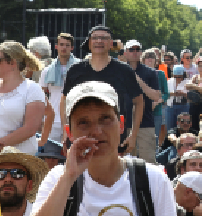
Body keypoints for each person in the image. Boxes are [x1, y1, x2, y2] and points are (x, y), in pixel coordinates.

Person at [25, 81, 183, 216]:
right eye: (84, 122)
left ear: (121, 124)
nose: (96, 131)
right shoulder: (58, 179)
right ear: (69, 133)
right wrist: (69, 177)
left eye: (105, 119)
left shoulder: (153, 179)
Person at [60, 25, 146, 156]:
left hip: (113, 139)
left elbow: (139, 102)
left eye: (104, 38)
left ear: (111, 44)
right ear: (89, 43)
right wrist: (66, 131)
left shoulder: (124, 70)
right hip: (81, 137)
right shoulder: (75, 70)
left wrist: (133, 135)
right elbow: (64, 101)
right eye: (95, 38)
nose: (99, 41)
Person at [125, 40, 164, 163]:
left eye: (137, 49)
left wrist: (136, 78)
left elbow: (156, 96)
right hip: (123, 125)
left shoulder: (150, 72)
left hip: (145, 124)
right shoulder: (118, 71)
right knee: (124, 165)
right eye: (131, 50)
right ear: (125, 52)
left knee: (148, 165)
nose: (135, 52)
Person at [39, 33, 79, 150]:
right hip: (53, 118)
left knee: (75, 153)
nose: (64, 48)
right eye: (61, 44)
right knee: (51, 154)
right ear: (56, 46)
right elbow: (41, 96)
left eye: (67, 45)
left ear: (72, 48)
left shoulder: (79, 68)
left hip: (75, 116)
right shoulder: (47, 70)